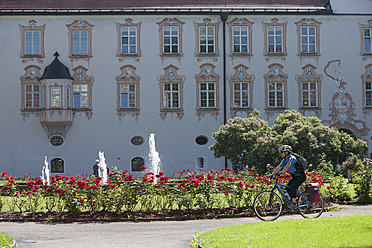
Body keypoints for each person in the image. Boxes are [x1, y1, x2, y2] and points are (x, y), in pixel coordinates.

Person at [271, 145, 306, 209]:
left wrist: (281, 173)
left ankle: (294, 204)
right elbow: (279, 167)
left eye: (282, 152)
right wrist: (272, 174)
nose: (280, 153)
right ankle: (295, 199)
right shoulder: (284, 160)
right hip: (295, 176)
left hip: (301, 176)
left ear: (286, 152)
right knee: (287, 188)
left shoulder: (292, 158)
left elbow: (288, 166)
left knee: (292, 187)